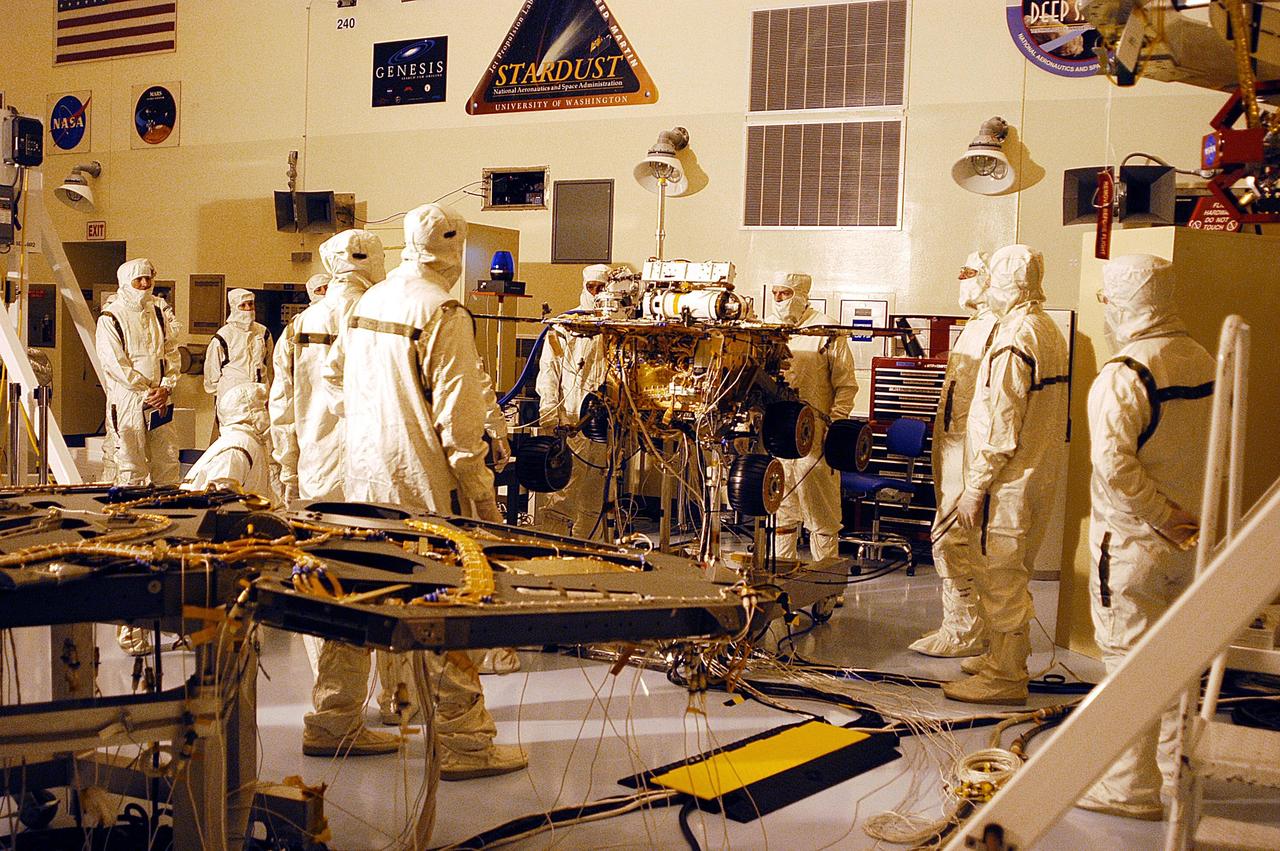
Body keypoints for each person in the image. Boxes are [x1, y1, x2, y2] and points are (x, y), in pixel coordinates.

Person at [325, 203, 526, 780]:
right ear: (454, 249)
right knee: (446, 609)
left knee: (357, 598)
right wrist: (483, 497)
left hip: (361, 481)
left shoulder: (371, 300)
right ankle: (465, 743)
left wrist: (374, 422)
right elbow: (461, 430)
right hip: (422, 489)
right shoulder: (441, 310)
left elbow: (335, 376)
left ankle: (333, 721)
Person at [1076, 254, 1214, 819]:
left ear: (1123, 302)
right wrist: (1190, 520)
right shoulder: (1204, 358)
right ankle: (1172, 772)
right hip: (1193, 541)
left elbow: (1115, 466)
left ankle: (1126, 789)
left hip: (1134, 542)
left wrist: (1160, 515)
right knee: (1178, 662)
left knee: (1127, 662)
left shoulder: (1125, 373)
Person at [942, 245, 1069, 706]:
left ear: (1009, 285)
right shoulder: (1046, 328)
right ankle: (1002, 651)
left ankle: (1006, 674)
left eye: (992, 280)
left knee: (1000, 575)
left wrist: (975, 487)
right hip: (1037, 473)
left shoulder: (1015, 336)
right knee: (1013, 570)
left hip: (1008, 480)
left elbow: (1000, 425)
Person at [911, 253, 998, 658]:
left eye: (969, 273)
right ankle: (961, 625)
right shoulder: (976, 326)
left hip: (970, 451)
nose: (961, 280)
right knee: (950, 539)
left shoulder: (999, 328)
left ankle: (966, 631)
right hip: (951, 447)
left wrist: (977, 475)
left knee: (953, 541)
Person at [97, 259, 182, 656]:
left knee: (168, 479)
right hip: (130, 403)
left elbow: (171, 354)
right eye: (139, 279)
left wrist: (165, 386)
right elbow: (115, 363)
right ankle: (130, 626)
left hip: (159, 403)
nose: (146, 283)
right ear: (125, 281)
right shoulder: (111, 318)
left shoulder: (160, 314)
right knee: (131, 481)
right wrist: (145, 388)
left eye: (150, 277)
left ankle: (173, 605)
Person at [767, 272, 858, 566]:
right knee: (782, 506)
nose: (779, 300)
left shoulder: (827, 329)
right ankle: (783, 569)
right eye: (776, 294)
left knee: (821, 511)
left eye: (785, 294)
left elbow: (846, 384)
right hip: (780, 433)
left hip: (816, 435)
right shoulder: (771, 329)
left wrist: (835, 423)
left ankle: (826, 579)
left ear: (802, 295)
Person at [535, 264, 611, 539]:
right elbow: (549, 371)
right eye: (591, 287)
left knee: (595, 494)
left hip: (603, 426)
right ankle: (552, 547)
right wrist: (549, 412)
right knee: (564, 491)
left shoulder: (617, 327)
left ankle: (588, 549)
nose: (596, 292)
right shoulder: (566, 325)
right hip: (571, 421)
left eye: (601, 287)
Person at [183, 383, 279, 501]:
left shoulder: (249, 441)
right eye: (266, 406)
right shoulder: (237, 449)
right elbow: (218, 504)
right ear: (252, 411)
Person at [205, 288, 273, 416]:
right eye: (243, 305)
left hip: (259, 397)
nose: (248, 308)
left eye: (251, 304)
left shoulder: (263, 333)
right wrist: (225, 394)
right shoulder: (223, 336)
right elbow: (211, 376)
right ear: (234, 307)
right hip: (232, 399)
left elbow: (270, 367)